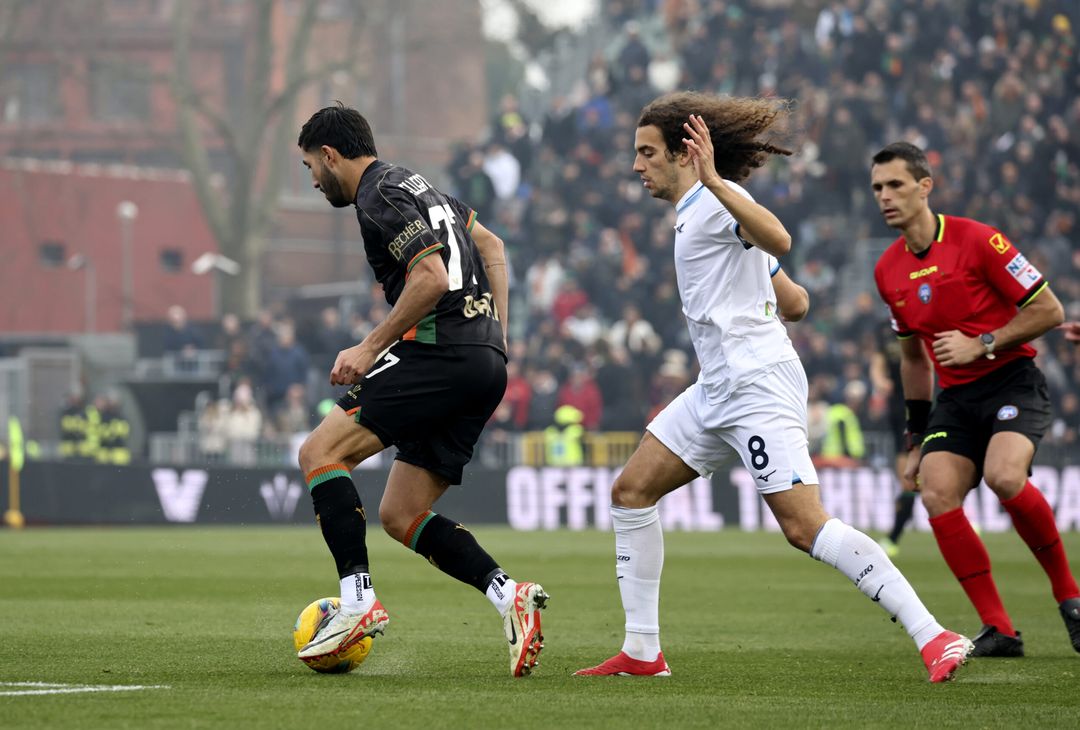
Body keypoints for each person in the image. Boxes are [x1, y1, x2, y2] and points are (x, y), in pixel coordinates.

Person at [576, 92, 971, 683]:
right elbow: (798, 300)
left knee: (803, 526)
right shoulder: (703, 212)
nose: (637, 165)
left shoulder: (714, 201)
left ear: (686, 154)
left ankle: (934, 635)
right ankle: (641, 650)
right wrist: (765, 291)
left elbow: (780, 240)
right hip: (718, 386)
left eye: (647, 152)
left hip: (757, 384)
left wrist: (715, 183)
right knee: (631, 491)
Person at [294, 103, 547, 677]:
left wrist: (368, 348)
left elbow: (430, 277)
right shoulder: (421, 185)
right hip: (483, 361)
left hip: (438, 351)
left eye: (311, 166)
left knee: (318, 453)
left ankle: (357, 604)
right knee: (402, 512)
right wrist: (498, 340)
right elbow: (494, 248)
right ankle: (511, 597)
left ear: (331, 155)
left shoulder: (376, 196)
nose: (312, 180)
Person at [870, 141, 1080, 658]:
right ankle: (999, 630)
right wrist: (914, 439)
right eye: (877, 188)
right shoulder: (887, 271)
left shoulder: (979, 240)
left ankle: (1070, 598)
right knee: (937, 492)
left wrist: (982, 342)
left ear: (925, 186)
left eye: (895, 184)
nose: (885, 196)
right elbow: (914, 361)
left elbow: (1049, 311)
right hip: (956, 399)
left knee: (1004, 476)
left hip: (1011, 381)